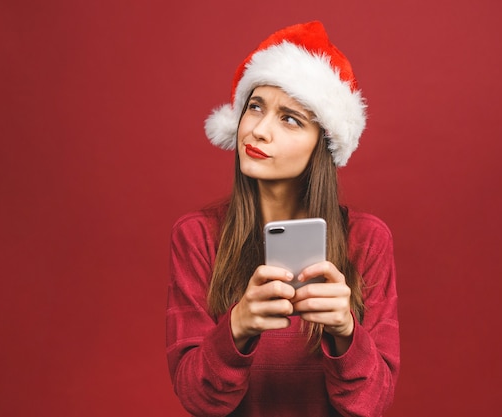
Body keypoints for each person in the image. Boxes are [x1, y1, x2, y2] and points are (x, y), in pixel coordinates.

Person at [166, 21, 399, 417]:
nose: (258, 130)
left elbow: (370, 406)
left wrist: (345, 332)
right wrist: (238, 327)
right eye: (255, 107)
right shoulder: (198, 236)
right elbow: (198, 400)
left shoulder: (367, 240)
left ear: (321, 145)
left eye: (289, 119)